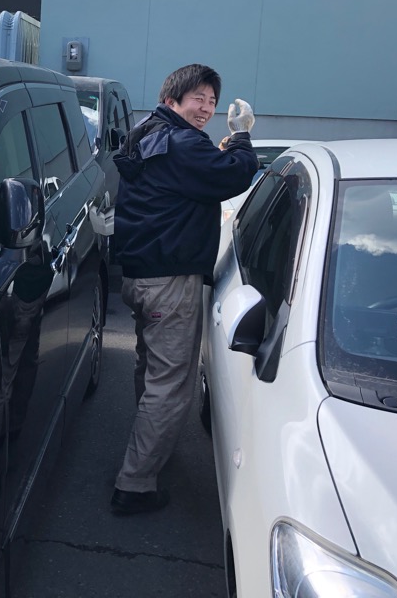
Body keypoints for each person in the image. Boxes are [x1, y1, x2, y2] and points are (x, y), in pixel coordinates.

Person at [110, 63, 257, 515]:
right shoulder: (182, 142)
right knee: (170, 385)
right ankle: (135, 485)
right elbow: (234, 175)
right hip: (171, 282)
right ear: (172, 99)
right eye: (198, 99)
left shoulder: (146, 133)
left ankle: (150, 445)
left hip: (140, 275)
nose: (206, 109)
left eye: (212, 102)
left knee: (151, 369)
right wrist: (242, 137)